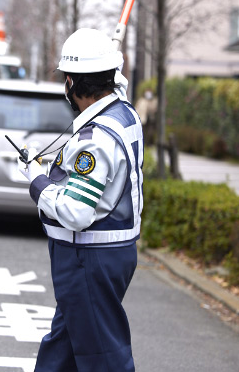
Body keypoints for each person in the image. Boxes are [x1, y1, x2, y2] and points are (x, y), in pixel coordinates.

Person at [18, 28, 144, 372]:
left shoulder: (96, 137)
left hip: (88, 258)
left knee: (104, 358)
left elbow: (75, 212)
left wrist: (36, 179)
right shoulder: (125, 114)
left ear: (71, 82)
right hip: (108, 254)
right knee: (62, 350)